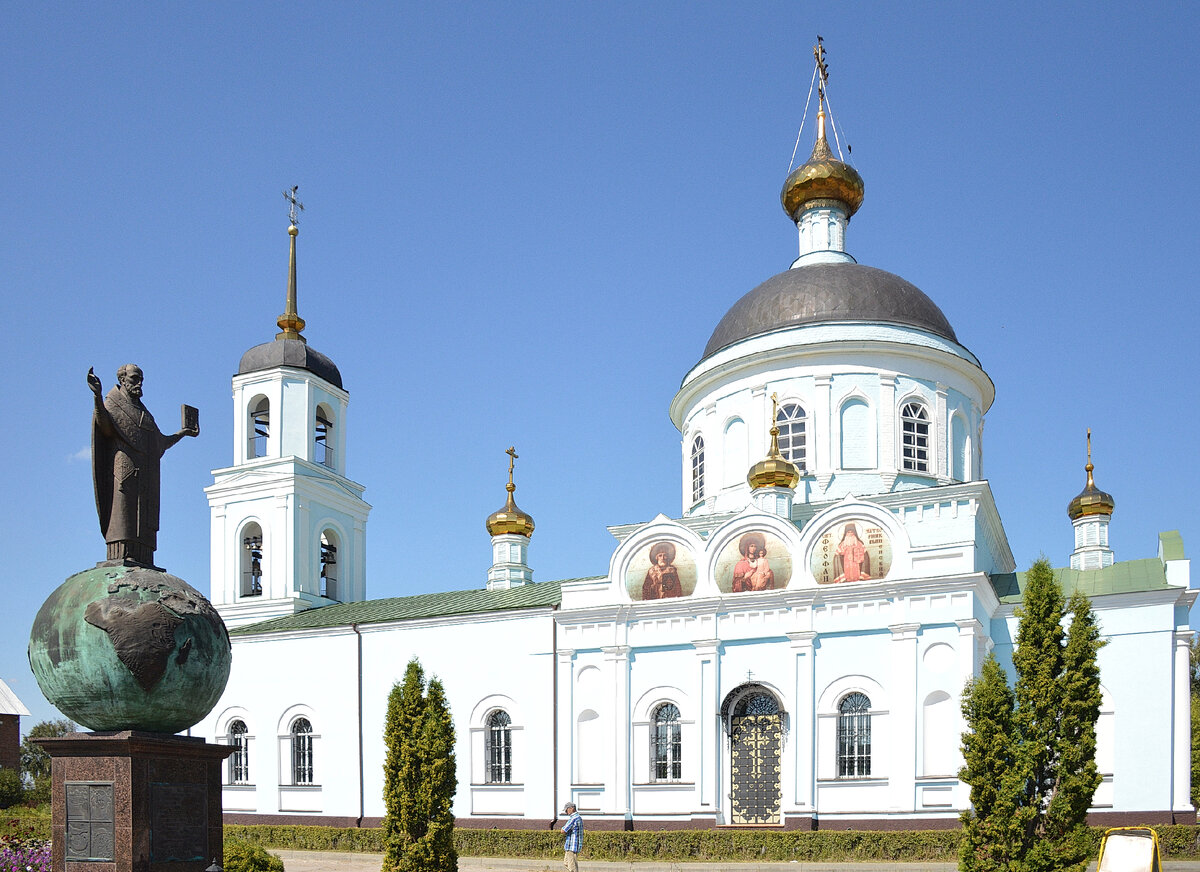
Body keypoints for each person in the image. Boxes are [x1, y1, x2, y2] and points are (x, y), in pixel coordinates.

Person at [88, 365, 198, 565]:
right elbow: (104, 426)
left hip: (146, 478)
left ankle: (143, 555)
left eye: (141, 380)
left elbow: (159, 443)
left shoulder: (145, 415)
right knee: (123, 517)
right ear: (122, 380)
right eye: (134, 379)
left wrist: (182, 433)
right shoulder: (112, 403)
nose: (139, 383)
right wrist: (97, 396)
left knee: (143, 520)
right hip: (126, 471)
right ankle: (120, 553)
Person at [561, 802, 583, 872]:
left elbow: (563, 830)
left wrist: (562, 828)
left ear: (571, 808)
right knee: (566, 863)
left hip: (572, 846)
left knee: (572, 867)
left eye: (566, 810)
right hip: (570, 845)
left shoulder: (574, 818)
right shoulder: (577, 817)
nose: (566, 812)